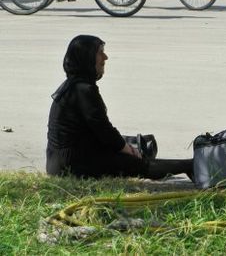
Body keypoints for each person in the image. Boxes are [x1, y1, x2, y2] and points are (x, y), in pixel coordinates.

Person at [46, 35, 192, 180]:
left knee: (129, 150)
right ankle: (190, 165)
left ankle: (186, 165)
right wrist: (127, 149)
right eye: (100, 53)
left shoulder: (72, 85)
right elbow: (104, 130)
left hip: (60, 161)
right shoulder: (83, 90)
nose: (105, 57)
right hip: (72, 165)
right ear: (87, 57)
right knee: (139, 164)